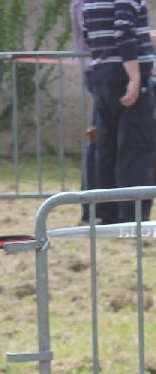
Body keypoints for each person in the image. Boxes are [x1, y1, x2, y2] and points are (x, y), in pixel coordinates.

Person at [83, 0, 155, 223]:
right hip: (127, 79)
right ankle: (132, 218)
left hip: (102, 76)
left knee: (107, 149)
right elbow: (123, 30)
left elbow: (88, 34)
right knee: (135, 151)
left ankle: (108, 214)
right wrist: (134, 77)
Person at [70, 0, 99, 223]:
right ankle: (92, 210)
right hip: (102, 72)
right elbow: (97, 32)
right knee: (98, 142)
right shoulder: (85, 4)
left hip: (106, 71)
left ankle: (94, 210)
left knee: (100, 141)